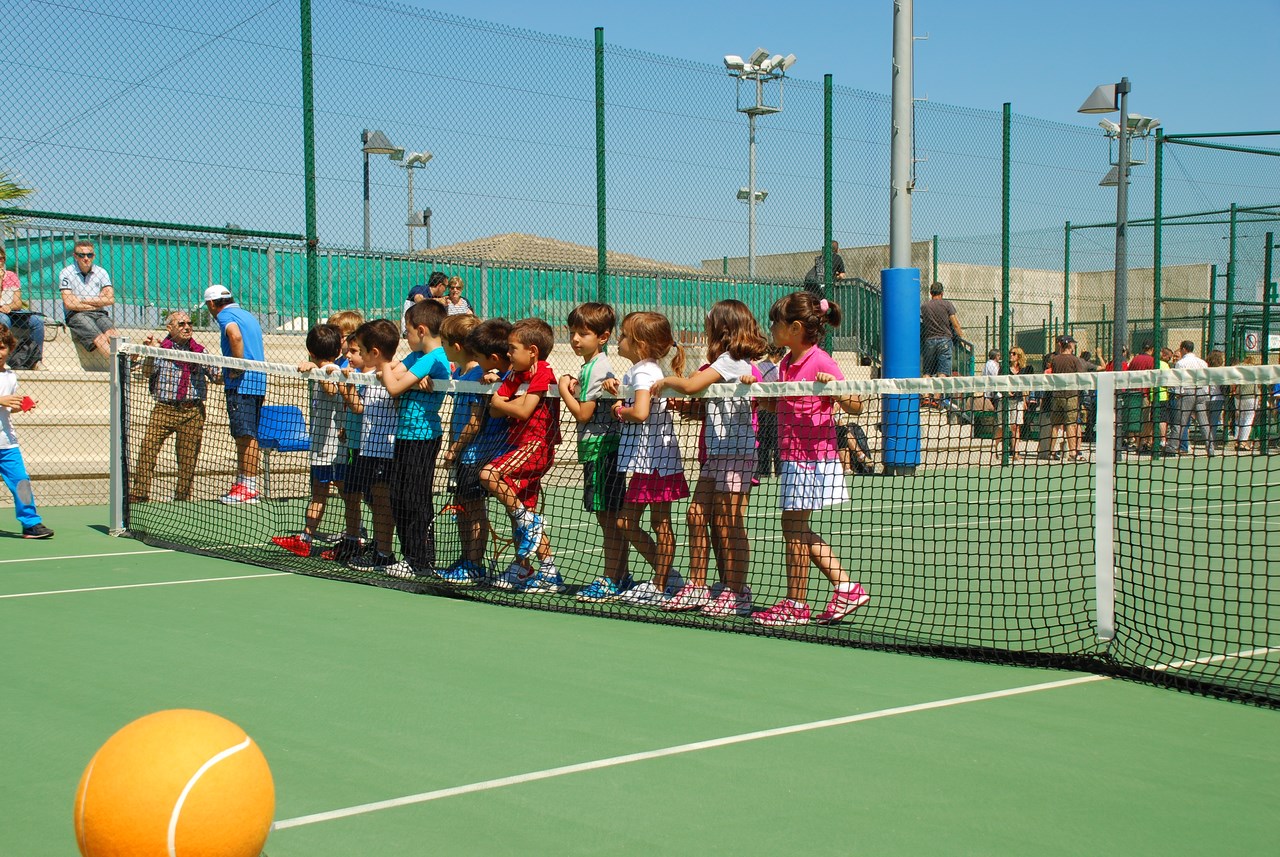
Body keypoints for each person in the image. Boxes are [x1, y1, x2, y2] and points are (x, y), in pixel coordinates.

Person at [749, 291, 867, 626]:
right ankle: (845, 588)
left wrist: (833, 388)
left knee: (793, 527)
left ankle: (797, 603)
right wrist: (758, 393)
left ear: (795, 328)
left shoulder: (821, 361)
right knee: (794, 527)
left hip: (813, 458)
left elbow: (856, 405)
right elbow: (781, 406)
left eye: (776, 323)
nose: (772, 328)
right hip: (793, 455)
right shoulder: (786, 364)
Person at [652, 299, 768, 616]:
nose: (706, 331)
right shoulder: (724, 363)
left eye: (709, 326)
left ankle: (738, 592)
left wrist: (666, 381)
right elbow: (706, 403)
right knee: (696, 514)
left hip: (737, 454)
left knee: (730, 523)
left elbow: (691, 386)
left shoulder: (731, 360)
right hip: (717, 454)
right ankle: (697, 586)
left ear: (723, 329)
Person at [602, 311, 688, 606]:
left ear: (639, 344)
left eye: (624, 335)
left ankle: (661, 584)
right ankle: (668, 577)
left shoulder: (643, 372)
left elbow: (640, 412)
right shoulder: (639, 371)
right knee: (629, 522)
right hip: (647, 462)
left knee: (656, 523)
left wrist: (618, 411)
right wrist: (616, 390)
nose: (619, 339)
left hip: (655, 462)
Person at [481, 318, 565, 593]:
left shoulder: (543, 371)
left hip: (536, 446)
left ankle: (528, 523)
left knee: (489, 474)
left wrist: (504, 402)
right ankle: (542, 570)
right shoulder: (515, 374)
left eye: (512, 349)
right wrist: (504, 401)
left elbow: (522, 410)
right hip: (518, 446)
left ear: (532, 351)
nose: (508, 354)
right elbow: (495, 410)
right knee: (525, 512)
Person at [557, 302, 630, 603]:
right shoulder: (593, 367)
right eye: (573, 332)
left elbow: (583, 414)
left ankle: (613, 579)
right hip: (603, 451)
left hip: (601, 452)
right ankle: (620, 576)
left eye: (583, 334)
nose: (575, 339)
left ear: (603, 337)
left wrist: (564, 389)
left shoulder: (595, 368)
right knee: (610, 517)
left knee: (608, 519)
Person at [379, 299, 452, 578]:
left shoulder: (434, 358)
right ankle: (410, 557)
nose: (405, 337)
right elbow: (389, 376)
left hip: (423, 438)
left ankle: (421, 561)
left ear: (421, 330)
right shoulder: (418, 357)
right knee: (399, 496)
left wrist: (385, 363)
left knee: (416, 499)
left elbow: (394, 386)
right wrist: (399, 374)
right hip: (405, 436)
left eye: (407, 332)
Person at [437, 314, 507, 585]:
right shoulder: (461, 374)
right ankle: (466, 559)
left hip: (475, 455)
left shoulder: (479, 377)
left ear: (456, 347)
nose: (441, 347)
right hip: (462, 455)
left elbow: (475, 423)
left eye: (443, 343)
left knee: (475, 510)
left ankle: (475, 564)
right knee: (463, 507)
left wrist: (454, 449)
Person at [271, 324, 345, 558]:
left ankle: (357, 535)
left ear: (310, 352)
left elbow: (331, 390)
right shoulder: (325, 368)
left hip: (335, 449)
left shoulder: (333, 370)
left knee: (349, 493)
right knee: (320, 492)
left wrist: (319, 369)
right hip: (321, 447)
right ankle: (306, 539)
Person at [128, 312, 217, 504]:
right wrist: (150, 353)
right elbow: (146, 372)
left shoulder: (200, 352)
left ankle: (182, 497)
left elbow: (217, 376)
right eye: (181, 324)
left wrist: (236, 365)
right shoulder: (161, 349)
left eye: (190, 323)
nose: (187, 327)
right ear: (169, 328)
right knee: (148, 448)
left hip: (192, 410)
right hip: (164, 409)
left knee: (188, 459)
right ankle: (140, 492)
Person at [339, 319, 401, 571]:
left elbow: (397, 399)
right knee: (376, 501)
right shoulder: (368, 377)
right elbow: (360, 408)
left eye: (360, 350)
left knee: (383, 503)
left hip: (386, 451)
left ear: (374, 352)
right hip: (369, 450)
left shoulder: (393, 374)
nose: (355, 355)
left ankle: (385, 554)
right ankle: (380, 549)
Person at [205, 284, 267, 504]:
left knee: (246, 436)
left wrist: (237, 366)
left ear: (212, 304)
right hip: (257, 383)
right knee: (246, 434)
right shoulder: (247, 315)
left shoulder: (225, 316)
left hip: (242, 385)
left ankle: (248, 486)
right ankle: (243, 483)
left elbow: (235, 337)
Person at [320, 323, 370, 562]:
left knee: (373, 498)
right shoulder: (350, 372)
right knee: (350, 495)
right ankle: (352, 540)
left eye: (353, 351)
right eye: (347, 350)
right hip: (352, 445)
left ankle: (380, 546)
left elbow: (358, 407)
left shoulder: (370, 378)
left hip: (370, 448)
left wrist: (343, 384)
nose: (347, 355)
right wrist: (344, 427)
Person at [0, 324, 53, 538]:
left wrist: (20, 406)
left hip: (7, 444)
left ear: (9, 349)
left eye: (2, 347)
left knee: (21, 482)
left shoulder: (11, 377)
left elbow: (7, 407)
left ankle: (31, 524)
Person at [59, 239, 119, 355]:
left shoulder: (101, 272)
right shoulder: (66, 272)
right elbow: (69, 303)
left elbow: (110, 299)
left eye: (89, 255)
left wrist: (82, 300)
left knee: (113, 335)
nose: (86, 258)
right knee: (100, 339)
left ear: (94, 256)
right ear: (75, 256)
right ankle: (118, 363)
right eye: (82, 255)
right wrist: (98, 303)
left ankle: (124, 363)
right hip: (76, 314)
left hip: (99, 313)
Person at [1164, 340, 1214, 457]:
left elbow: (1178, 380)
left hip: (1187, 393)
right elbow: (1206, 379)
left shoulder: (1181, 363)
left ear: (1184, 349)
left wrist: (1178, 393)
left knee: (1179, 422)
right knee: (1204, 423)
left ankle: (1171, 448)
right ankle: (1210, 449)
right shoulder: (1202, 362)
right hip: (1201, 392)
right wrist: (1206, 393)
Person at [0, 245, 46, 369]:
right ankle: (4, 360)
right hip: (2, 314)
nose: (0, 262)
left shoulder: (11, 276)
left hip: (11, 312)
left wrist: (9, 306)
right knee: (4, 320)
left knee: (37, 321)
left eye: (1, 259)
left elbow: (18, 303)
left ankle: (36, 360)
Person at [920, 282, 963, 408]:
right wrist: (960, 335)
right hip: (944, 340)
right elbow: (955, 323)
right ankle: (936, 399)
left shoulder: (924, 306)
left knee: (927, 371)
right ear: (942, 293)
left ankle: (925, 397)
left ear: (930, 293)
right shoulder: (947, 305)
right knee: (942, 372)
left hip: (929, 341)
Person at [1046, 334, 1087, 461]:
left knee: (1055, 425)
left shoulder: (1055, 359)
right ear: (1069, 345)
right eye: (1073, 344)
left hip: (1057, 396)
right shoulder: (1075, 360)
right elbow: (1081, 377)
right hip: (1071, 396)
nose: (1074, 346)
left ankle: (1051, 452)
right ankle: (1073, 453)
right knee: (1071, 424)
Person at [754, 345, 784, 478]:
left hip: (760, 410)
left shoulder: (757, 367)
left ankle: (763, 472)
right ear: (777, 354)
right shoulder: (776, 370)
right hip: (772, 410)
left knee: (763, 443)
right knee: (776, 443)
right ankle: (779, 472)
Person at [1232, 355, 1262, 453]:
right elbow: (1259, 384)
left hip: (1238, 396)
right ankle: (1243, 442)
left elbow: (1233, 382)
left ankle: (1237, 441)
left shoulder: (1239, 367)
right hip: (1251, 396)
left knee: (1240, 419)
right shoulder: (1255, 369)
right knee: (1248, 419)